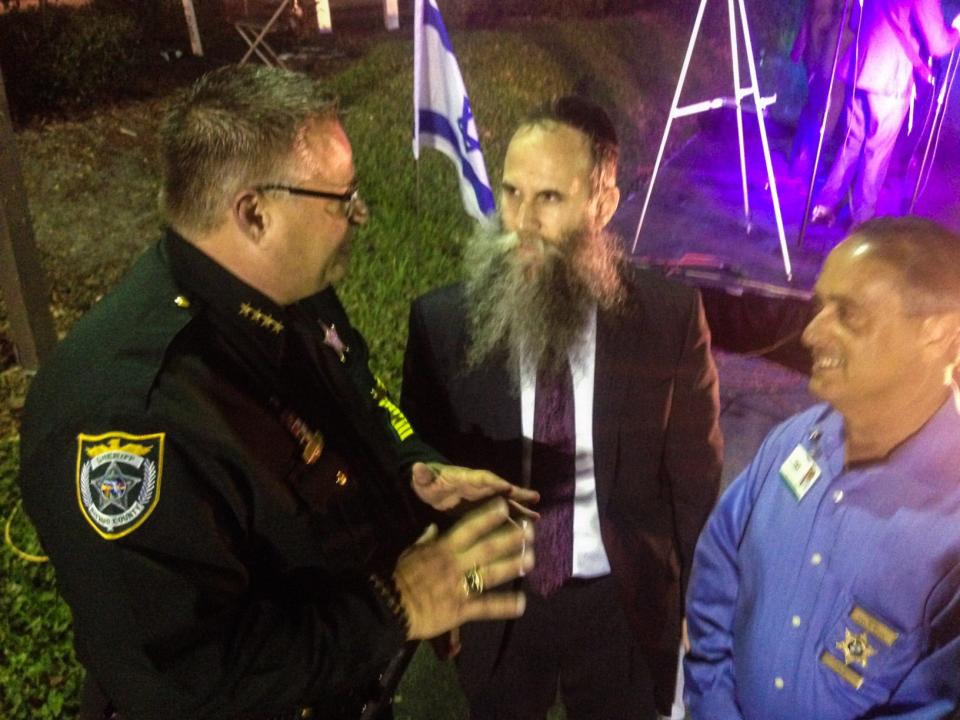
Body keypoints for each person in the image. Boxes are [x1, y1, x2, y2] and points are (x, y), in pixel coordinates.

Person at [17, 65, 539, 720]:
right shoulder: (128, 412)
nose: (361, 216)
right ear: (255, 213)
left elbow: (357, 398)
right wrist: (398, 604)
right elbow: (185, 678)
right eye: (341, 199)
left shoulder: (289, 287)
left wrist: (410, 474)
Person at [401, 96, 724, 720]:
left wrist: (695, 604)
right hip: (497, 597)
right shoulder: (444, 323)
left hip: (621, 602)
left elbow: (693, 479)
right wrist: (450, 599)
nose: (519, 221)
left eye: (548, 198)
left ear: (603, 202)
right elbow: (430, 475)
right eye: (511, 191)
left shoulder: (667, 319)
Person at [685, 215, 960, 719]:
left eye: (848, 314)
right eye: (819, 307)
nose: (811, 333)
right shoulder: (795, 440)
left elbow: (937, 705)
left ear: (941, 332)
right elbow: (719, 569)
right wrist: (715, 706)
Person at [811, 0, 960, 226]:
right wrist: (956, 30)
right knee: (876, 153)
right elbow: (939, 44)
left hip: (860, 68)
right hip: (890, 78)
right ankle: (861, 222)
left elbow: (854, 20)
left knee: (852, 142)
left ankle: (824, 205)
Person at [788, 0, 854, 179]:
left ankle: (802, 157)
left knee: (817, 105)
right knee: (827, 109)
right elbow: (823, 15)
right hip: (831, 54)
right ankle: (807, 161)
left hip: (821, 50)